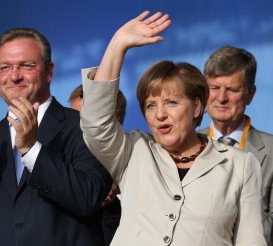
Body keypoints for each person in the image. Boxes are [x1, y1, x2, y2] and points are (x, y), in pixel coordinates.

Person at [80, 11, 266, 245]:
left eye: (171, 103)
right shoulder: (133, 151)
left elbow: (251, 239)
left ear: (197, 106)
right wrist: (117, 45)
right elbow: (96, 123)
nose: (160, 115)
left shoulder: (239, 165)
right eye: (150, 105)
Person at [0, 28, 112, 246]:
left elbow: (88, 198)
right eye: (5, 67)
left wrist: (32, 150)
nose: (14, 76)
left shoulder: (84, 126)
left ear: (49, 71)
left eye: (26, 65)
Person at [198, 45, 273, 245]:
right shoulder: (185, 145)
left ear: (250, 93)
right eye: (213, 88)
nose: (221, 98)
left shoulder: (272, 151)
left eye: (232, 89)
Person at [68, 84, 126, 245]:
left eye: (82, 121)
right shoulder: (59, 162)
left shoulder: (136, 161)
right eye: (71, 118)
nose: (73, 128)